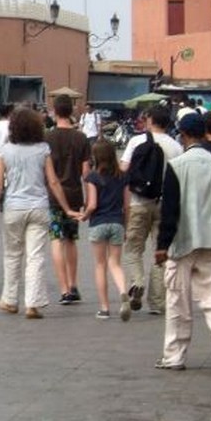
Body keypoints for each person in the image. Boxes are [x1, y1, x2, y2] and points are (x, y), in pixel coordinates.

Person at [154, 113, 211, 375]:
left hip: (184, 241)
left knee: (178, 301)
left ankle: (174, 356)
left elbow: (170, 209)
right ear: (203, 133)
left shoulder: (178, 164)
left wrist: (161, 245)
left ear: (183, 134)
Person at [0, 107, 78, 319]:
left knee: (12, 255)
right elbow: (53, 182)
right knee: (35, 257)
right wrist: (67, 208)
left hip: (14, 208)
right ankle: (32, 303)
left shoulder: (5, 151)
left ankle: (9, 300)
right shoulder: (42, 149)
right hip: (38, 207)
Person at [120, 105, 182, 315]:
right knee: (160, 252)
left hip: (139, 201)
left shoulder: (136, 141)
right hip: (164, 203)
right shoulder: (176, 146)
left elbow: (123, 169)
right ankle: (157, 303)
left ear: (150, 120)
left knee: (133, 249)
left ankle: (137, 282)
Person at [45, 94, 90, 306]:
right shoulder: (81, 138)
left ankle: (63, 289)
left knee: (56, 238)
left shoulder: (47, 138)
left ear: (54, 111)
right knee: (72, 239)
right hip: (74, 194)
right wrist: (90, 199)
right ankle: (73, 285)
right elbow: (86, 172)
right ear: (71, 112)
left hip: (53, 195)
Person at [80, 139, 131, 321]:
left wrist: (84, 216)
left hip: (99, 223)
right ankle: (123, 292)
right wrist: (125, 226)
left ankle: (104, 308)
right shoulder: (123, 176)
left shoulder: (93, 177)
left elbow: (92, 204)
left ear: (96, 156)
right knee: (115, 264)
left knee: (100, 265)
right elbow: (127, 205)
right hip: (117, 222)